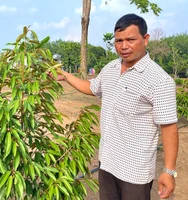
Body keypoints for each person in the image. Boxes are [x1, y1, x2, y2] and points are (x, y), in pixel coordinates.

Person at [52, 13, 178, 200]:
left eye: (130, 39)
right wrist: (67, 77)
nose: (124, 46)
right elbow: (92, 87)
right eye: (119, 41)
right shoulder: (111, 68)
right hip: (107, 162)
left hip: (135, 170)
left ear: (145, 39)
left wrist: (168, 171)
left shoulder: (159, 80)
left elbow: (169, 128)